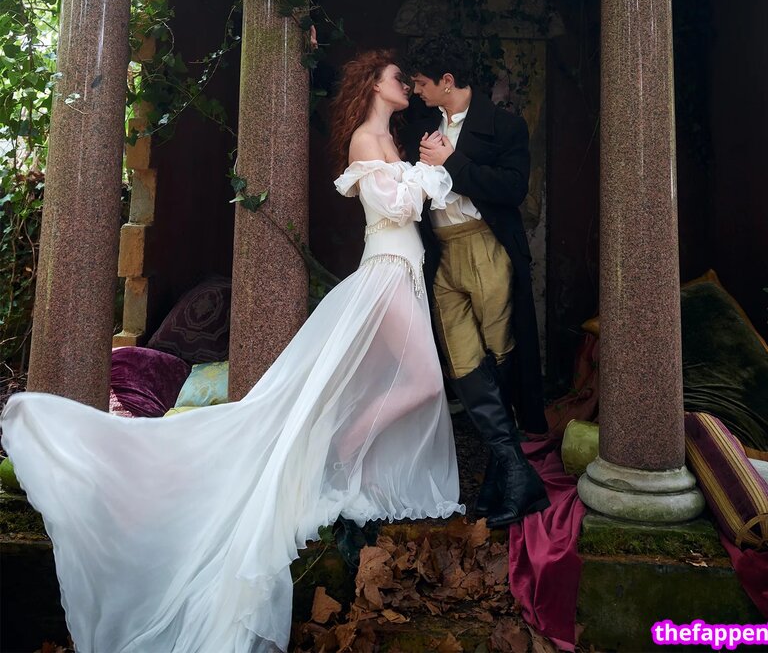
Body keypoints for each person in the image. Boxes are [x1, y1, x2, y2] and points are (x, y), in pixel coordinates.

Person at [0, 50, 464, 653]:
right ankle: (337, 464)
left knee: (394, 382)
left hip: (404, 271)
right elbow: (396, 209)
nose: (405, 83)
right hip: (386, 273)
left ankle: (342, 466)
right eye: (396, 77)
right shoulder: (363, 139)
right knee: (422, 382)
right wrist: (431, 171)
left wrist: (430, 165)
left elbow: (420, 204)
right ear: (374, 85)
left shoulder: (392, 140)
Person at [402, 35, 549, 530]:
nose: (417, 91)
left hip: (487, 247)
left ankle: (502, 474)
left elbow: (512, 189)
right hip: (442, 255)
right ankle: (514, 470)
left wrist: (453, 163)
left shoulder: (505, 125)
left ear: (447, 81)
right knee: (464, 363)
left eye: (422, 83)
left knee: (500, 354)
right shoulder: (423, 125)